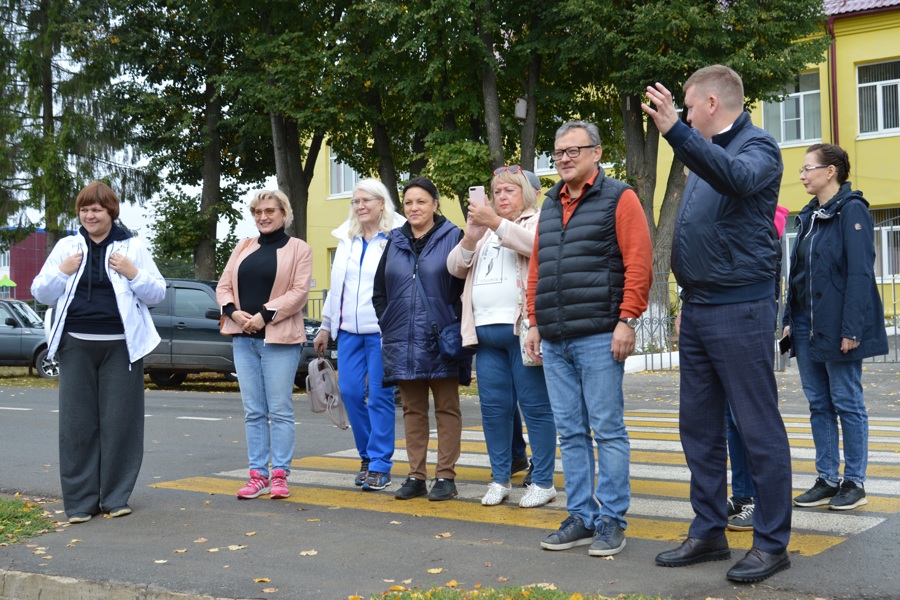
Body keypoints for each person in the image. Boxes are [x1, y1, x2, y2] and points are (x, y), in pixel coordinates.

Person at [643, 65, 793, 583]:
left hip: (742, 307)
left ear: (711, 103)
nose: (683, 115)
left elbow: (736, 179)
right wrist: (687, 299)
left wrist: (676, 133)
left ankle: (772, 544)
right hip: (704, 308)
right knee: (699, 429)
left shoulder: (759, 148)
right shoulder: (701, 156)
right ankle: (709, 530)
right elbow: (699, 234)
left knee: (756, 428)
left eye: (687, 107)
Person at [524, 121, 653, 557]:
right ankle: (580, 516)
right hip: (556, 337)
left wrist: (627, 319)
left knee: (607, 430)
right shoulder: (548, 205)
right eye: (558, 152)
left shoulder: (619, 197)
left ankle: (611, 520)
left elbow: (639, 262)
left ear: (596, 153)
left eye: (572, 151)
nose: (563, 158)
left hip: (600, 334)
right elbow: (538, 269)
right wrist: (534, 322)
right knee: (570, 432)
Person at [31, 181, 166, 524]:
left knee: (121, 423)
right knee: (77, 426)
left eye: (97, 209)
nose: (90, 215)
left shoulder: (132, 248)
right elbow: (40, 292)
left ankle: (115, 497)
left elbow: (157, 293)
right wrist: (63, 272)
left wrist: (133, 274)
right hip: (75, 345)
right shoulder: (67, 247)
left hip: (122, 347)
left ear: (111, 212)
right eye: (84, 209)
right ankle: (79, 503)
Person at [447, 166, 558, 508]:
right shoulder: (484, 231)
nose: (501, 197)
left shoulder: (538, 220)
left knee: (535, 407)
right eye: (497, 193)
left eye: (509, 191)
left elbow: (538, 248)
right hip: (485, 333)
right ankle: (500, 479)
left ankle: (543, 482)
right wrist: (471, 235)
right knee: (494, 409)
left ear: (525, 193)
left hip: (522, 332)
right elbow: (454, 266)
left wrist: (494, 223)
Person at [785, 144, 888, 511]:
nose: (802, 175)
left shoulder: (852, 210)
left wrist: (852, 329)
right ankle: (827, 478)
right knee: (818, 404)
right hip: (806, 325)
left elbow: (860, 273)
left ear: (831, 172)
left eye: (808, 168)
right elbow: (798, 272)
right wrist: (786, 320)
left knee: (847, 402)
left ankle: (854, 482)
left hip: (838, 326)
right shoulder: (810, 215)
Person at [373, 177, 470, 502]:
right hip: (402, 339)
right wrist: (388, 320)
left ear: (435, 204)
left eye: (421, 202)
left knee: (446, 408)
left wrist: (454, 323)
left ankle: (446, 476)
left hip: (442, 338)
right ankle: (416, 475)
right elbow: (379, 291)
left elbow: (462, 289)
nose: (414, 208)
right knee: (412, 410)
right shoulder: (394, 241)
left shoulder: (453, 236)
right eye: (409, 202)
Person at [217, 190, 312, 500]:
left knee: (280, 409)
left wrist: (264, 316)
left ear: (284, 213)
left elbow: (299, 293)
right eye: (257, 212)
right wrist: (232, 311)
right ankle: (257, 474)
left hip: (279, 339)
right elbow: (223, 286)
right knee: (253, 411)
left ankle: (280, 475)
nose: (263, 216)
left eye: (270, 210)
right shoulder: (243, 246)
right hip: (243, 339)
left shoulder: (299, 248)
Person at [313, 178, 405, 492]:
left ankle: (380, 464)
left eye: (367, 200)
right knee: (351, 392)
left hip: (382, 330)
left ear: (382, 203)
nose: (360, 206)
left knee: (379, 396)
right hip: (348, 330)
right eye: (356, 201)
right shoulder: (346, 238)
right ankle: (366, 455)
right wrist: (326, 325)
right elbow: (337, 287)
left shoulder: (397, 236)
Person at [725, 204, 790, 532]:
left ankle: (762, 501)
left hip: (751, 325)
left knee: (750, 418)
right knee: (730, 419)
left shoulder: (766, 220)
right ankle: (743, 494)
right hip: (726, 324)